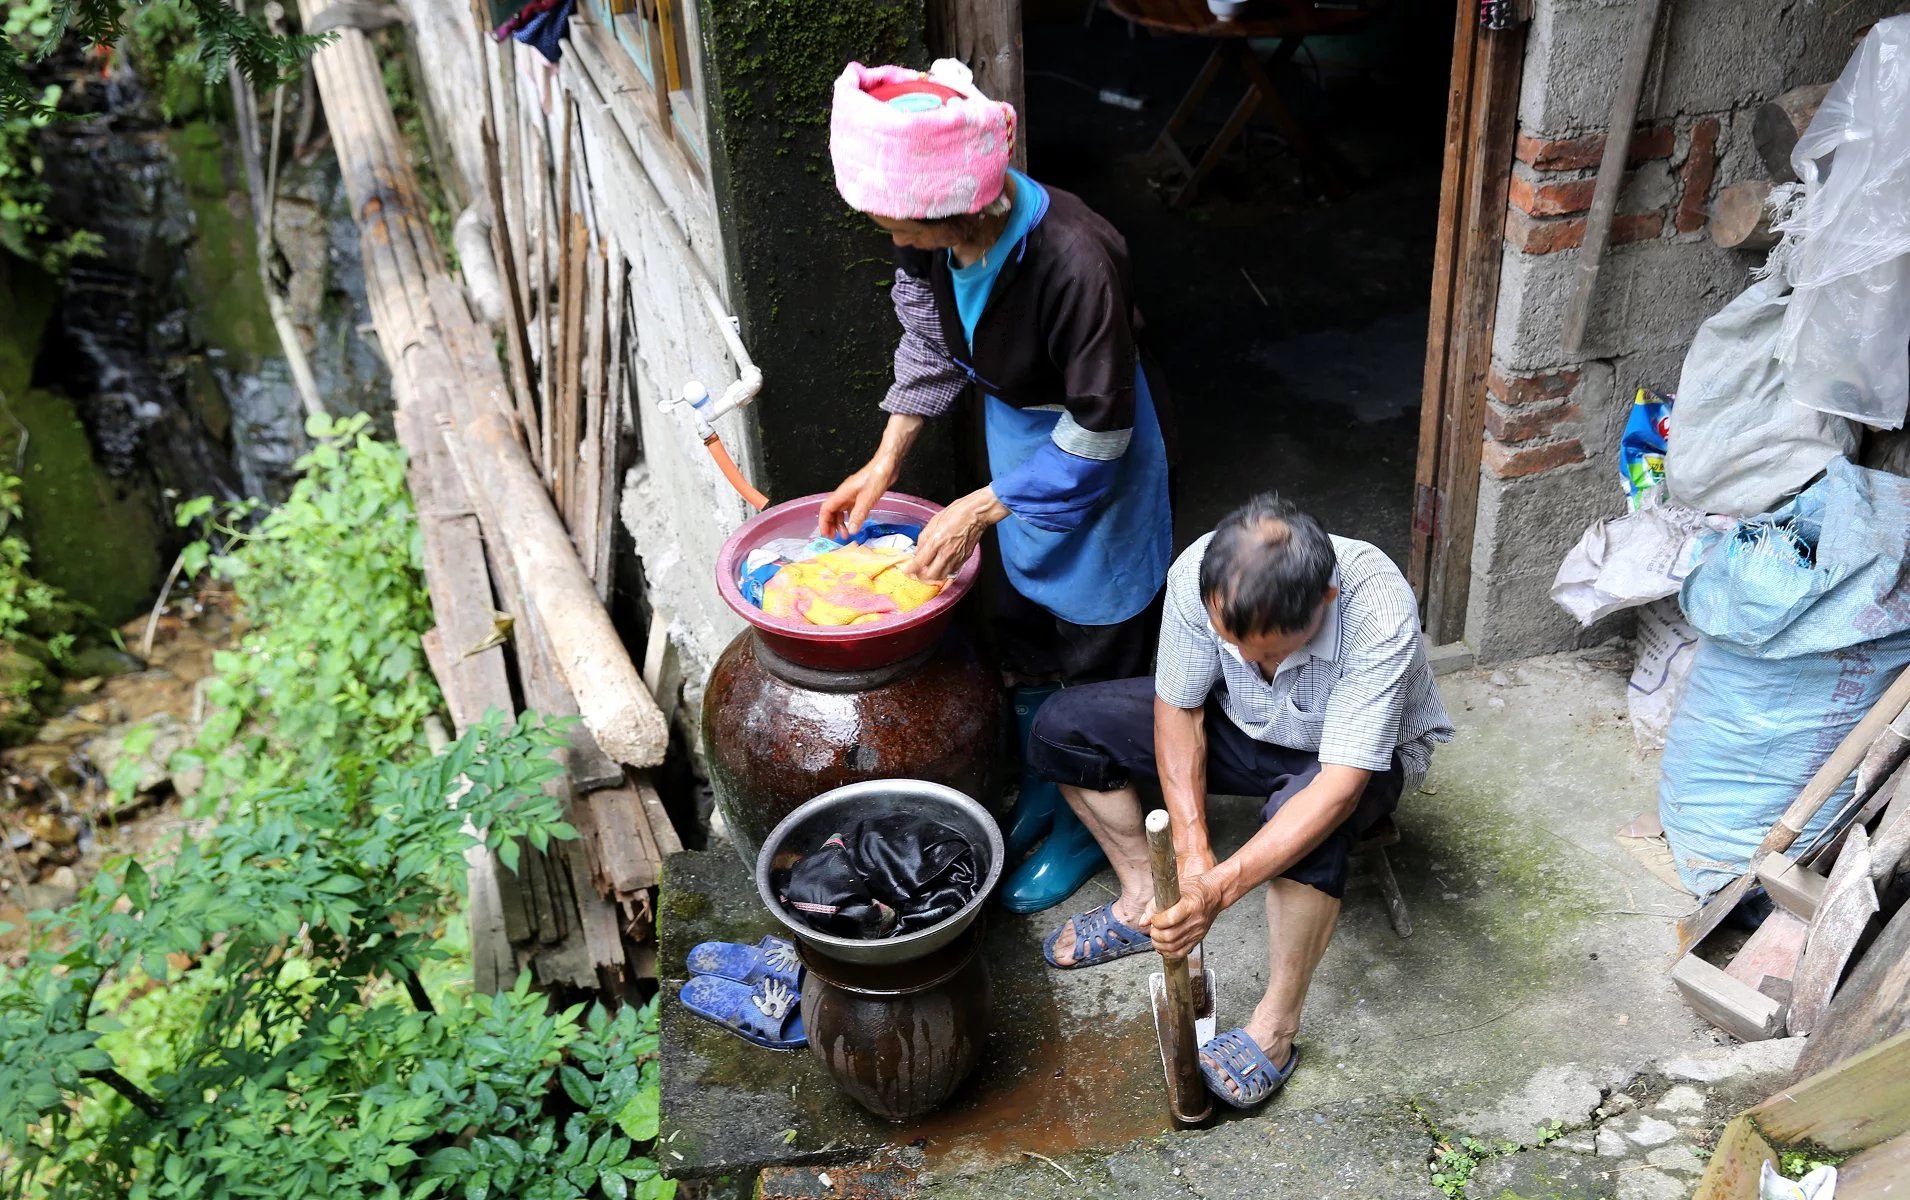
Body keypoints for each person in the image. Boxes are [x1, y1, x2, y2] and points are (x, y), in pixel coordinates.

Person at [820, 59, 1175, 913]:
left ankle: (1092, 832)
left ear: (961, 207)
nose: (894, 239)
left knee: (1093, 660)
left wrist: (981, 506)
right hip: (1017, 445)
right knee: (1024, 639)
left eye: (899, 226)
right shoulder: (927, 229)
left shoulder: (1077, 261)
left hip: (1096, 456)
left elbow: (1099, 430)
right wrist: (885, 461)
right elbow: (927, 340)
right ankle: (1050, 799)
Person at [1026, 495, 1454, 1109]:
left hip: (1353, 756)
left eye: (1274, 652)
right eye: (1239, 647)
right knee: (1063, 726)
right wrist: (1191, 851)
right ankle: (1146, 901)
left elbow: (1339, 787)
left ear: (1326, 599)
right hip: (1247, 726)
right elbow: (1180, 707)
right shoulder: (1199, 572)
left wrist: (1215, 891)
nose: (1256, 663)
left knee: (1305, 827)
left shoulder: (1377, 609)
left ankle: (1275, 1029)